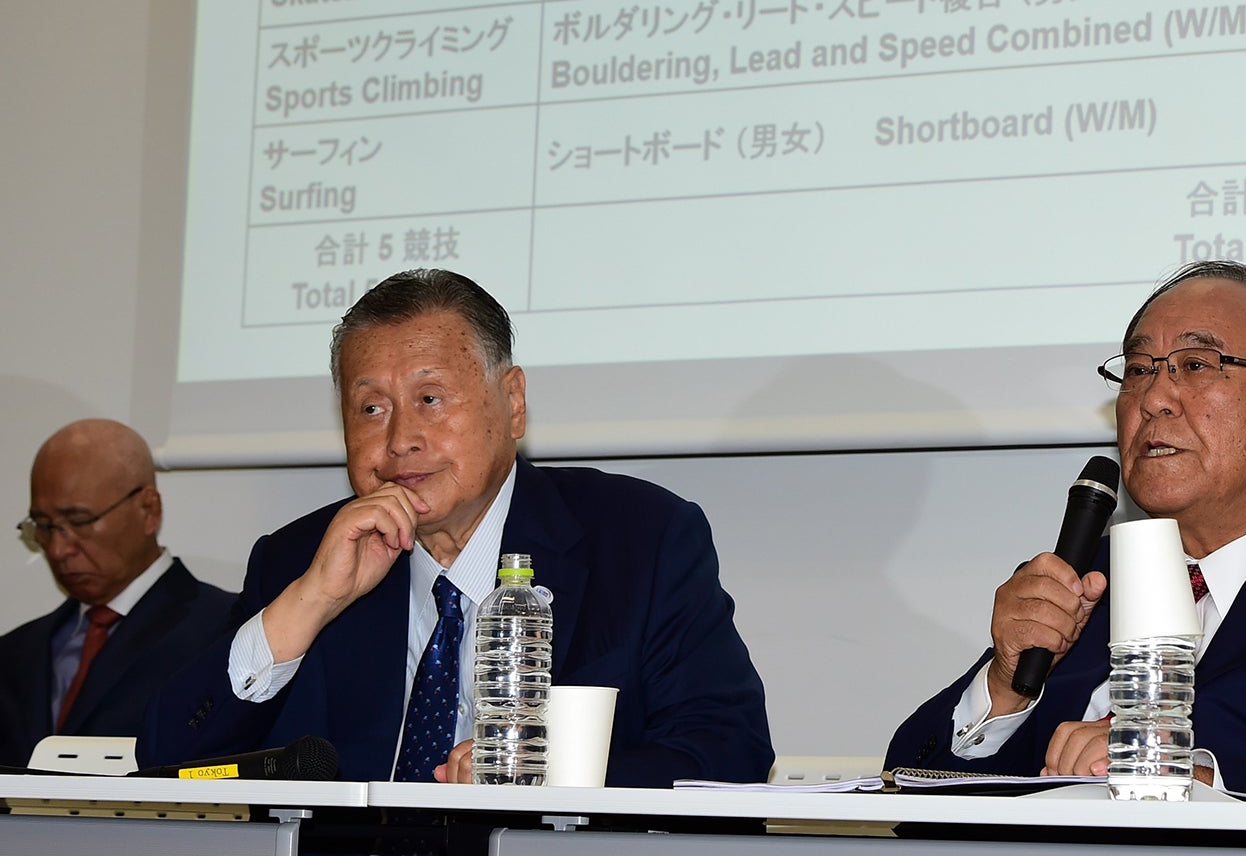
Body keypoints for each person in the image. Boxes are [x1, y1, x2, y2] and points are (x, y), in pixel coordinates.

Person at [139, 270, 772, 786]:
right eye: (370, 408)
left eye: (430, 399)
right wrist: (311, 603)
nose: (400, 440)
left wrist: (556, 776)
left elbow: (729, 749)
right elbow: (168, 761)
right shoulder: (298, 560)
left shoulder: (641, 540)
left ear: (514, 402)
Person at [885, 261, 1246, 801]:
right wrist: (1006, 687)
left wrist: (1191, 781)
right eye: (1139, 370)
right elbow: (909, 788)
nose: (1153, 397)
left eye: (1196, 366)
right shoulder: (1084, 582)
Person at [0, 420, 234, 765]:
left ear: (148, 510)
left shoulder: (227, 631)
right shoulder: (14, 653)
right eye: (44, 527)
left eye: (78, 521)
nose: (58, 549)